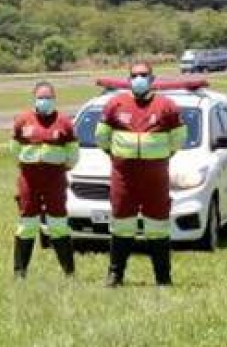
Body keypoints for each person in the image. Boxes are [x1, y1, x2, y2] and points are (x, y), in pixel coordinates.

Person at [95, 61, 187, 287]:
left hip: (154, 177)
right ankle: (115, 274)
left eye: (143, 75)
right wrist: (117, 156)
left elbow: (178, 140)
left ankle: (163, 278)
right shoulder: (115, 104)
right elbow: (101, 137)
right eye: (134, 75)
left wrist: (159, 156)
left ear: (152, 79)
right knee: (121, 225)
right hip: (123, 176)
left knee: (157, 227)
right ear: (128, 79)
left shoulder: (167, 106)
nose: (139, 79)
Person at [10, 81, 79, 279]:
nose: (44, 101)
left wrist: (58, 169)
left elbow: (73, 155)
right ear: (34, 99)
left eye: (48, 97)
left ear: (54, 99)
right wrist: (26, 167)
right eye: (41, 97)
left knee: (58, 224)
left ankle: (69, 272)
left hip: (55, 180)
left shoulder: (65, 122)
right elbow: (15, 151)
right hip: (29, 180)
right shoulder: (22, 121)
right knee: (27, 225)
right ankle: (19, 272)